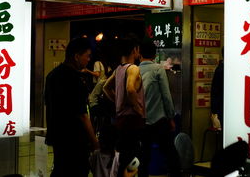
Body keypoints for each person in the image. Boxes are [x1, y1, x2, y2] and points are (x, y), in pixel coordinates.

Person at [44, 37, 99, 177]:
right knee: (77, 171)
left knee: (60, 169)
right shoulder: (76, 79)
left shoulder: (52, 76)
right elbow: (82, 114)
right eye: (87, 56)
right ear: (76, 56)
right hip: (75, 139)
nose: (88, 60)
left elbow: (48, 105)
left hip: (58, 136)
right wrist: (94, 141)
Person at [103, 37, 146, 177]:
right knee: (135, 156)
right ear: (134, 50)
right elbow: (130, 88)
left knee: (124, 155)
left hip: (120, 120)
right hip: (133, 120)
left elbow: (106, 88)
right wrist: (138, 108)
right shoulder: (133, 68)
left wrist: (118, 101)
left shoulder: (118, 69)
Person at [138, 41, 178, 177]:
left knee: (144, 157)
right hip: (159, 120)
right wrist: (171, 117)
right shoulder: (157, 69)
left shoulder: (134, 70)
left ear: (139, 53)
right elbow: (166, 95)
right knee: (171, 154)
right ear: (154, 54)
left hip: (142, 121)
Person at [211, 47, 224, 130]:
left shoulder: (220, 69)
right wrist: (215, 111)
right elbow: (215, 92)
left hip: (220, 109)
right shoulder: (221, 70)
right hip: (222, 110)